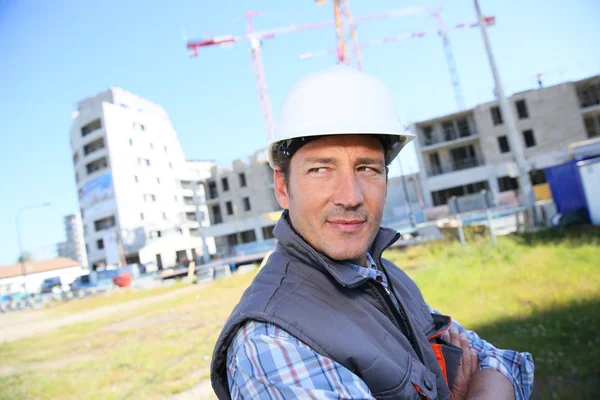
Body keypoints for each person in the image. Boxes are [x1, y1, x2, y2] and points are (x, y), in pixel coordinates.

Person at [210, 66, 534, 399]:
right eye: (321, 169)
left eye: (367, 168)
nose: (350, 197)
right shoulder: (271, 342)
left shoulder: (383, 276)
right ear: (282, 187)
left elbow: (496, 360)